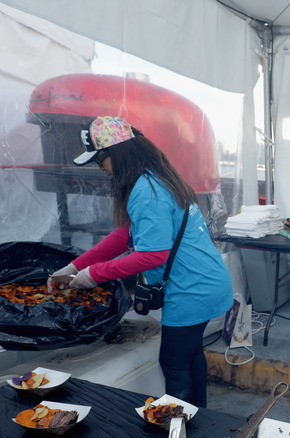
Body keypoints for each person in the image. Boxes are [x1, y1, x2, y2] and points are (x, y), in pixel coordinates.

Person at [47, 116, 233, 408]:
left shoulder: (145, 190)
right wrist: (75, 266)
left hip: (192, 290)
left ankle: (179, 427)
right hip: (208, 281)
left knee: (173, 364)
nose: (102, 169)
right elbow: (125, 235)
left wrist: (94, 274)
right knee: (191, 355)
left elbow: (152, 255)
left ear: (116, 153)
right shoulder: (156, 178)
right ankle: (200, 423)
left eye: (100, 161)